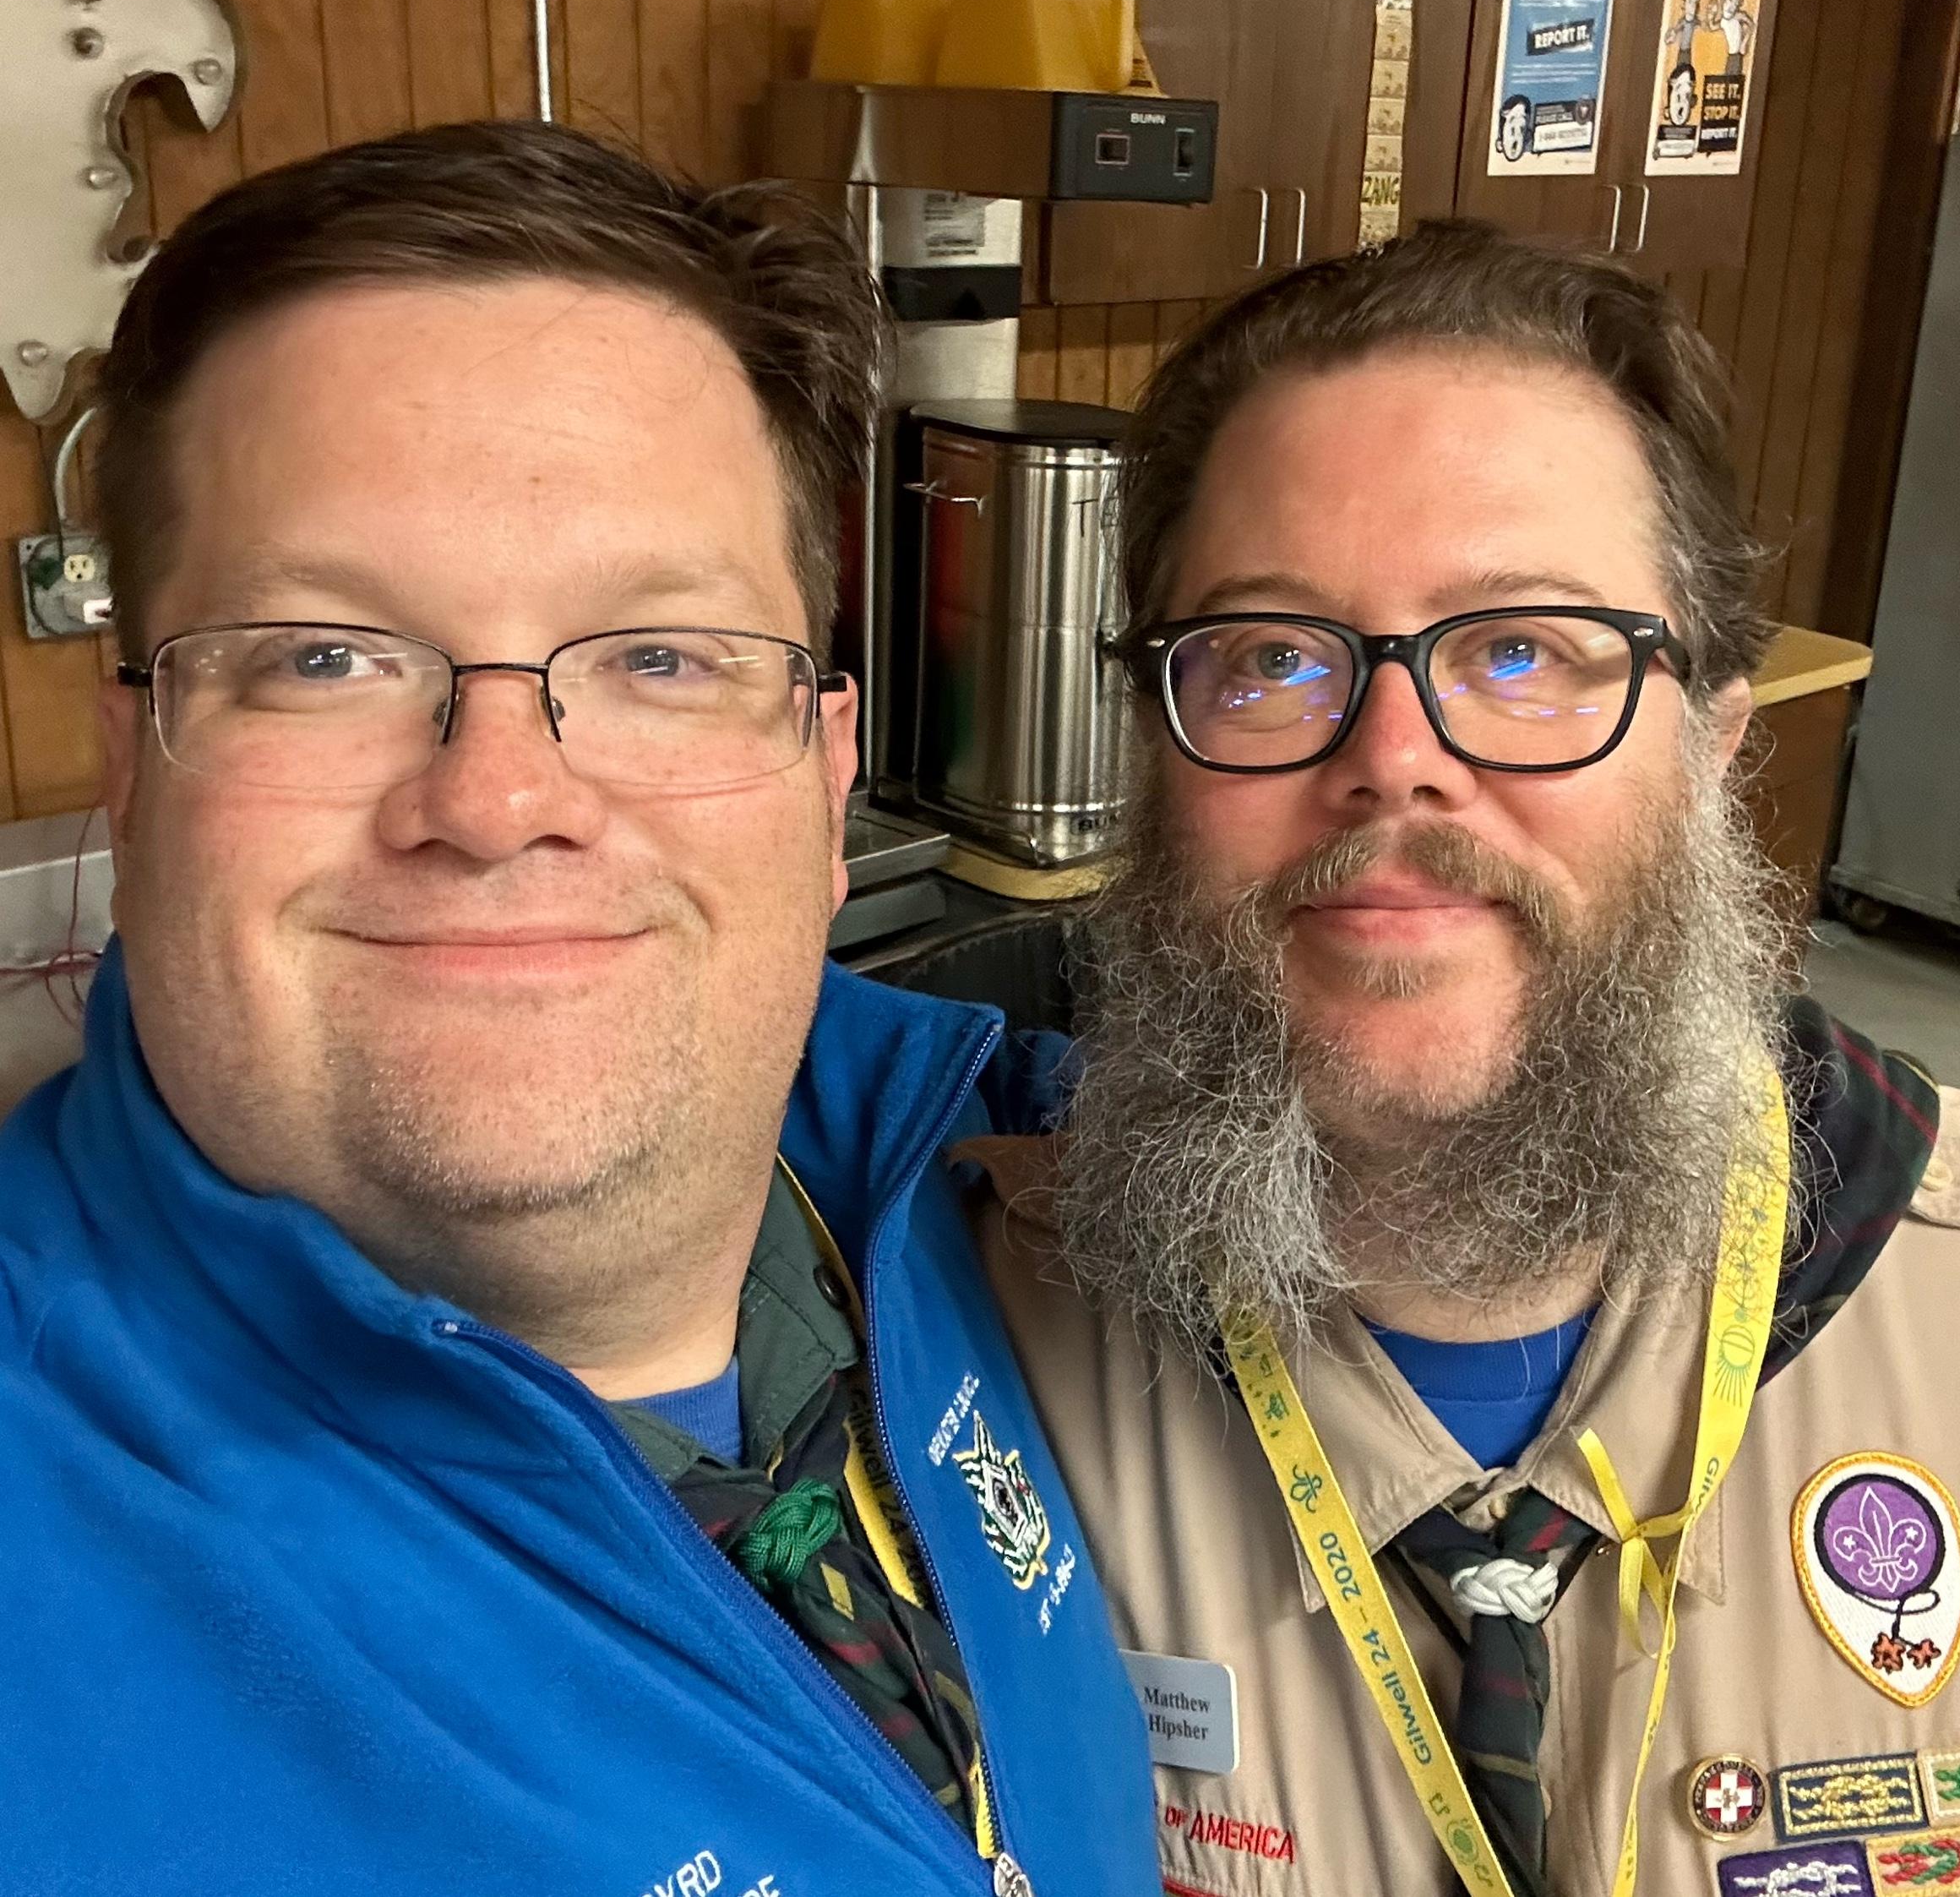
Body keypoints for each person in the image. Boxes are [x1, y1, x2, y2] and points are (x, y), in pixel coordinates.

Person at [0, 121, 1155, 1897]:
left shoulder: (978, 1175)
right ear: (135, 768)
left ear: (825, 777)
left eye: (659, 658)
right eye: (324, 656)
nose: (497, 796)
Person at [969, 221, 1960, 1897]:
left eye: (1520, 651)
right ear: (1155, 754)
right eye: (1272, 657)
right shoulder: (956, 1363)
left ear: (1713, 744)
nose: (1392, 760)